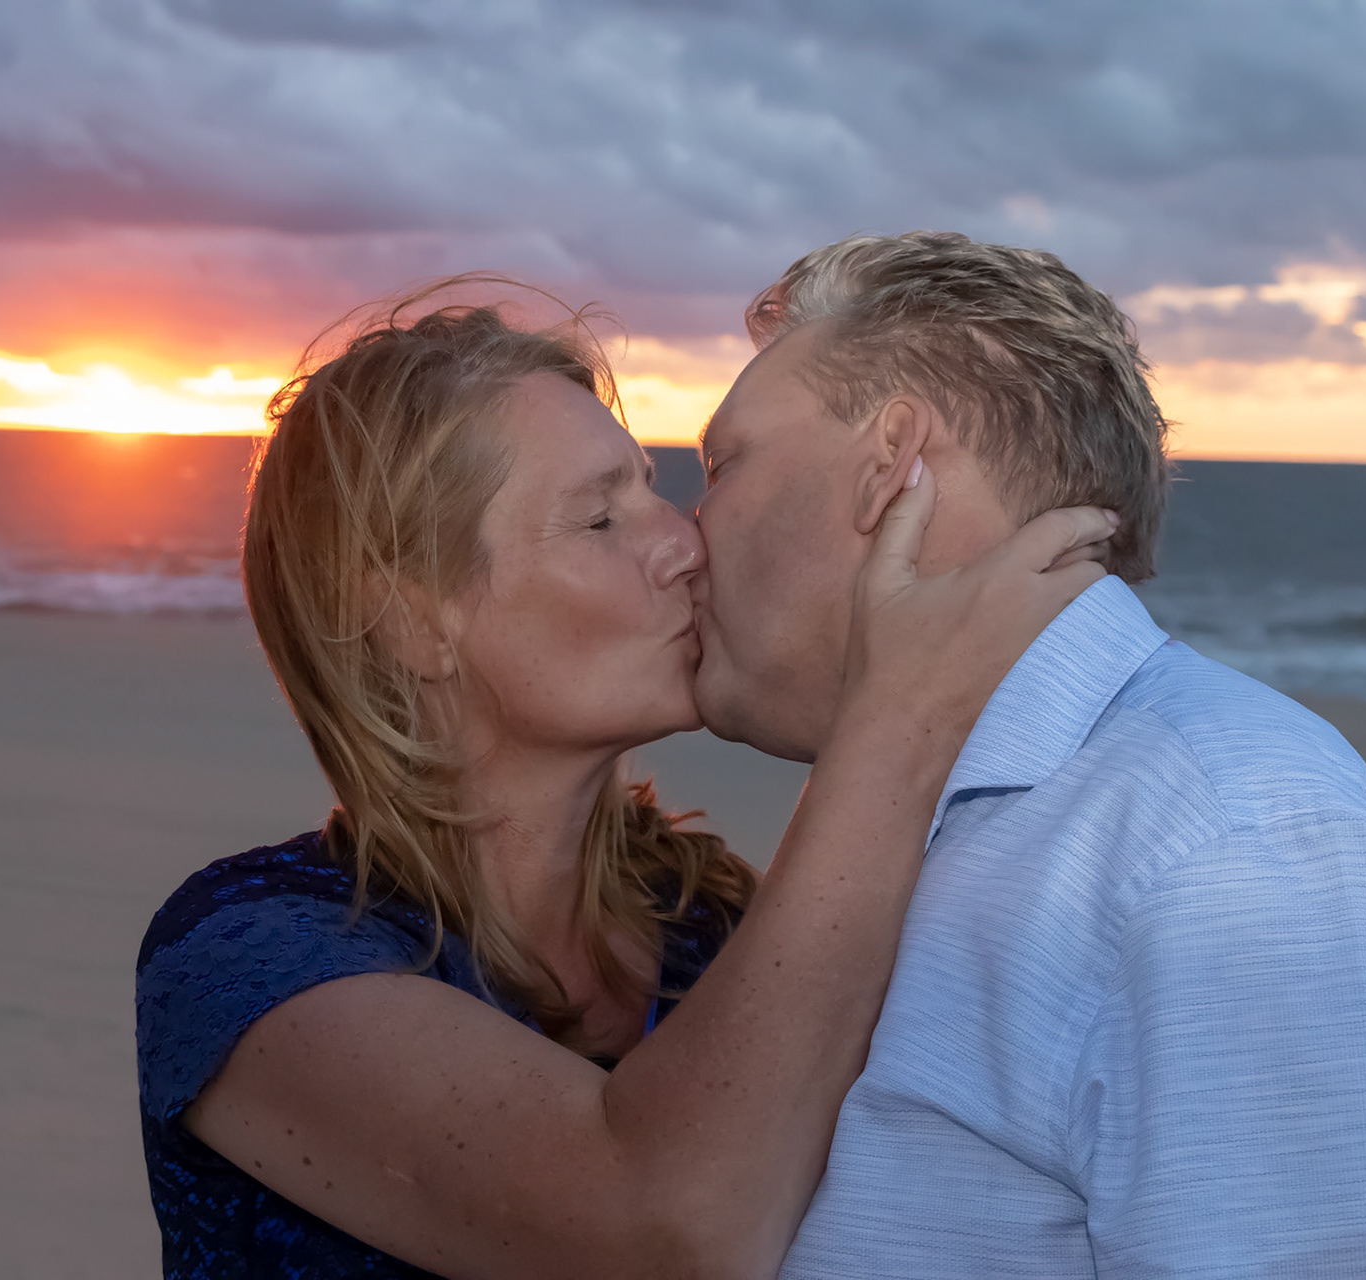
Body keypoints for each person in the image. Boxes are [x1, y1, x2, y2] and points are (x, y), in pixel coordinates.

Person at [133, 286, 1114, 1279]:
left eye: (654, 488)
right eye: (601, 518)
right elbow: (664, 1228)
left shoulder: (709, 924)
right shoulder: (250, 958)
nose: (686, 545)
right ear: (412, 621)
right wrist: (896, 720)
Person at [688, 231, 1366, 1276]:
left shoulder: (1240, 864)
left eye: (721, 466)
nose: (684, 535)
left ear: (894, 469)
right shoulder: (960, 817)